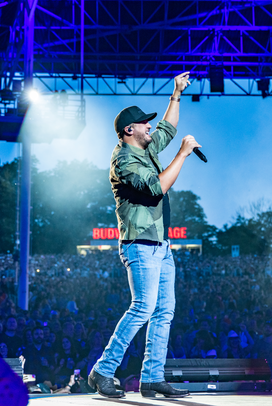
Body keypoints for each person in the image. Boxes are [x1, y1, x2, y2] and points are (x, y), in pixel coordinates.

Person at [89, 72, 194, 400]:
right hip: (140, 244)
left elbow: (168, 127)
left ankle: (152, 378)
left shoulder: (145, 147)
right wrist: (182, 154)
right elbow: (155, 189)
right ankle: (103, 371)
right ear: (128, 131)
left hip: (161, 245)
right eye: (144, 124)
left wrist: (176, 94)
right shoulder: (123, 160)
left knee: (164, 311)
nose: (150, 127)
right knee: (143, 306)